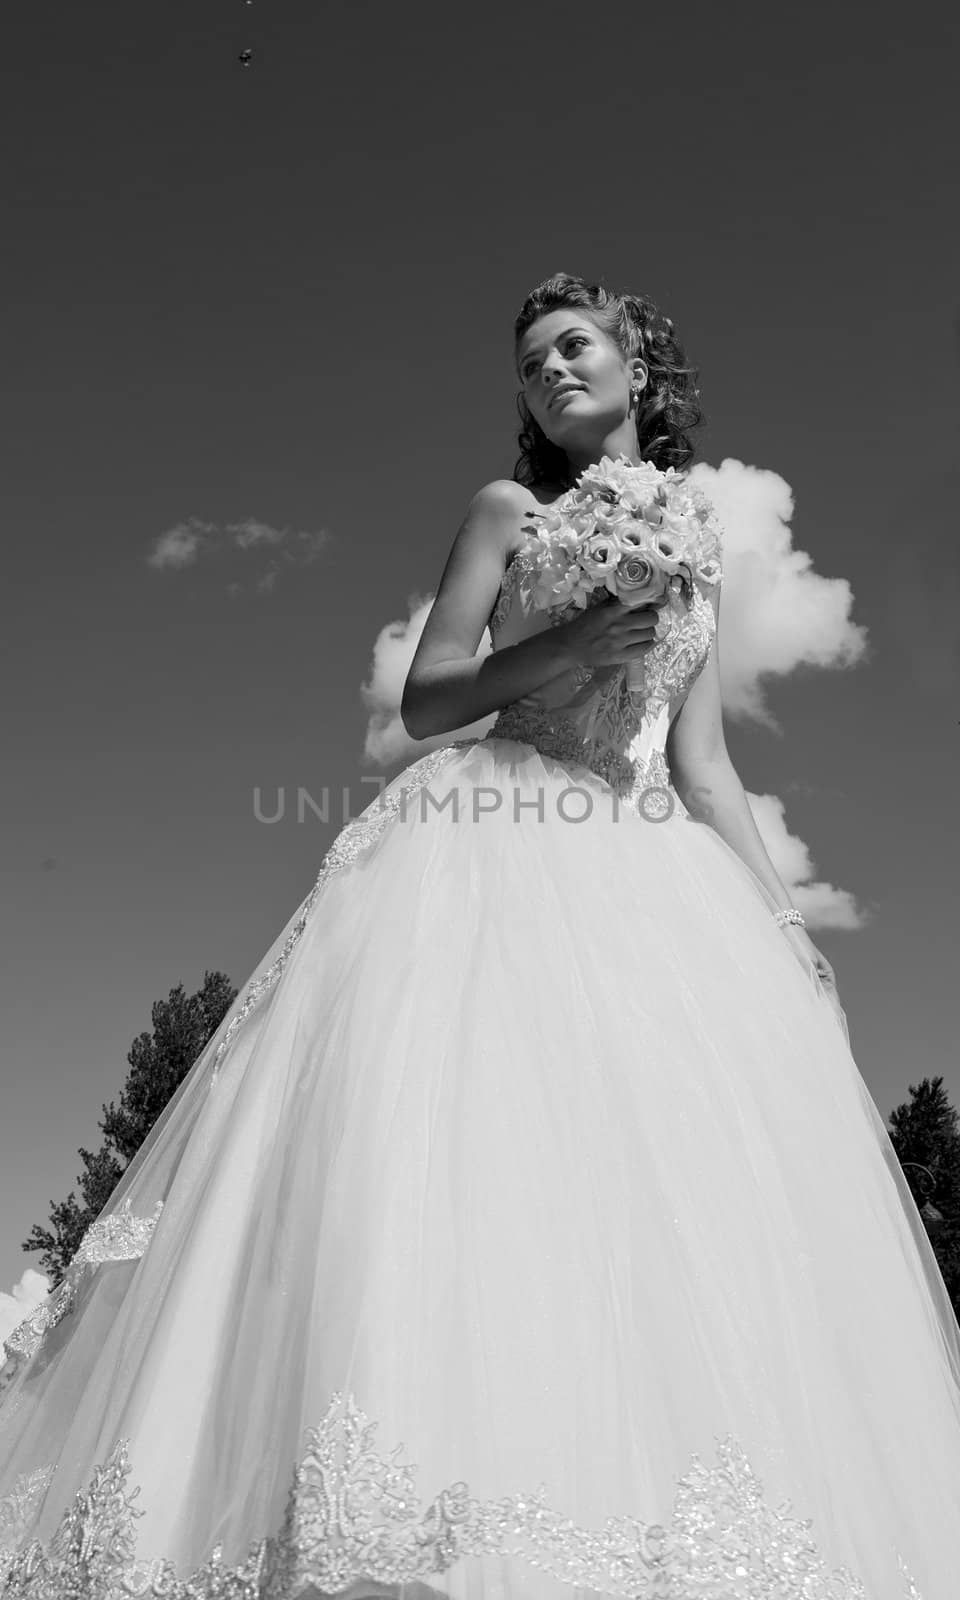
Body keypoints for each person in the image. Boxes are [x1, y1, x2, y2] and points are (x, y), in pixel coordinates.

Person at [2, 272, 959, 1600]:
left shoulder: (696, 534)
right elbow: (426, 698)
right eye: (530, 364)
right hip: (491, 846)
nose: (552, 372)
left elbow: (705, 758)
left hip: (647, 877)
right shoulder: (508, 513)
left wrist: (785, 924)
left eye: (575, 347)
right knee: (464, 1167)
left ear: (639, 362)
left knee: (655, 1210)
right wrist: (567, 637)